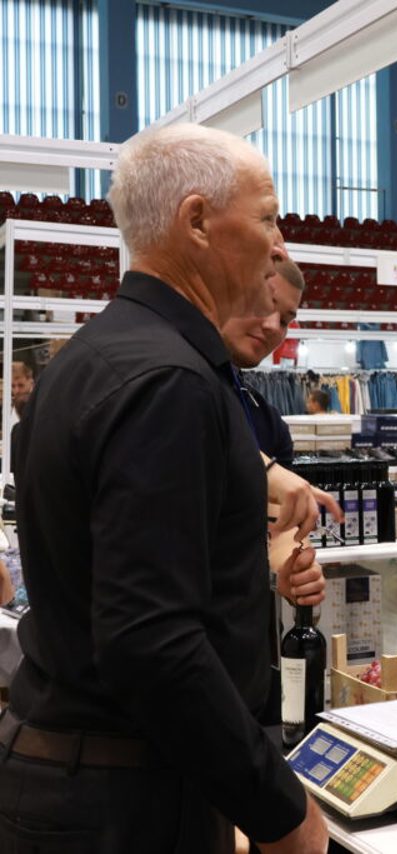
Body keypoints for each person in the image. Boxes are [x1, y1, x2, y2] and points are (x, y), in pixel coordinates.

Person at [2, 123, 328, 853]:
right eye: (268, 218)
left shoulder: (95, 357)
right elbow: (153, 642)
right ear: (197, 221)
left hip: (83, 781)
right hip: (127, 803)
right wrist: (279, 809)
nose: (279, 245)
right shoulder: (169, 383)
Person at [222, 249, 305, 467]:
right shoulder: (173, 383)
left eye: (285, 321)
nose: (273, 326)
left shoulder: (270, 425)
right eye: (262, 304)